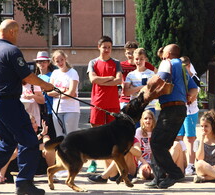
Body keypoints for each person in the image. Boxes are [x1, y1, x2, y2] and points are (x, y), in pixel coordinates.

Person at [0, 19, 54, 194]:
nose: (17, 36)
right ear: (11, 32)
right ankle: (24, 183)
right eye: (17, 33)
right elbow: (28, 76)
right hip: (8, 101)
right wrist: (47, 86)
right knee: (29, 140)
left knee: (8, 141)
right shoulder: (12, 50)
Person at [147, 44, 198, 189]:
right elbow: (194, 88)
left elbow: (159, 80)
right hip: (181, 109)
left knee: (156, 142)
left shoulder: (167, 62)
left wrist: (147, 90)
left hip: (170, 109)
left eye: (163, 53)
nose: (161, 56)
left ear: (168, 54)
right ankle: (159, 177)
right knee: (163, 144)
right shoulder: (182, 67)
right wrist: (189, 96)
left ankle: (175, 174)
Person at [86, 36, 122, 173]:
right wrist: (108, 78)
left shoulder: (116, 63)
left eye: (109, 47)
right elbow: (93, 79)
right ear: (99, 47)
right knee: (94, 133)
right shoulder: (93, 62)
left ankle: (113, 163)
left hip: (113, 103)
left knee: (114, 134)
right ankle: (93, 162)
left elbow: (118, 80)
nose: (107, 50)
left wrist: (108, 80)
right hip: (97, 103)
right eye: (104, 47)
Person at [0, 115, 55, 184]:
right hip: (18, 164)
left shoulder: (42, 131)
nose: (35, 125)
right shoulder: (19, 133)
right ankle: (1, 176)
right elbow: (22, 145)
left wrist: (42, 136)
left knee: (49, 149)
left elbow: (48, 144)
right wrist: (37, 145)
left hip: (40, 164)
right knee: (14, 151)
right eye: (31, 123)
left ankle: (51, 173)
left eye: (35, 122)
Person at [47, 50, 80, 137]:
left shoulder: (73, 72)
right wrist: (63, 90)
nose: (60, 62)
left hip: (71, 109)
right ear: (54, 62)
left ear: (65, 58)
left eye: (62, 60)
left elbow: (71, 94)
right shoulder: (55, 73)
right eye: (57, 61)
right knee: (60, 136)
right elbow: (49, 92)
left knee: (70, 137)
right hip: (57, 110)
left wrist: (58, 93)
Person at [177, 56, 200, 176]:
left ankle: (191, 165)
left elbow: (193, 95)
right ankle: (182, 163)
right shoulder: (179, 78)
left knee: (191, 138)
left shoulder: (194, 78)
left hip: (190, 112)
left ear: (189, 65)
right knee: (179, 137)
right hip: (179, 110)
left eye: (184, 67)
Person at [119, 41, 157, 109]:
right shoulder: (122, 65)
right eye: (128, 53)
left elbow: (158, 73)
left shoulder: (146, 65)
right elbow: (119, 80)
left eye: (132, 52)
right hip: (126, 98)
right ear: (125, 54)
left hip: (144, 101)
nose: (130, 55)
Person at [34, 51, 57, 139]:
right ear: (36, 64)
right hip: (39, 111)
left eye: (44, 61)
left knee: (52, 135)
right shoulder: (36, 77)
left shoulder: (53, 76)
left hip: (51, 110)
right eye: (39, 62)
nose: (42, 64)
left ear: (48, 63)